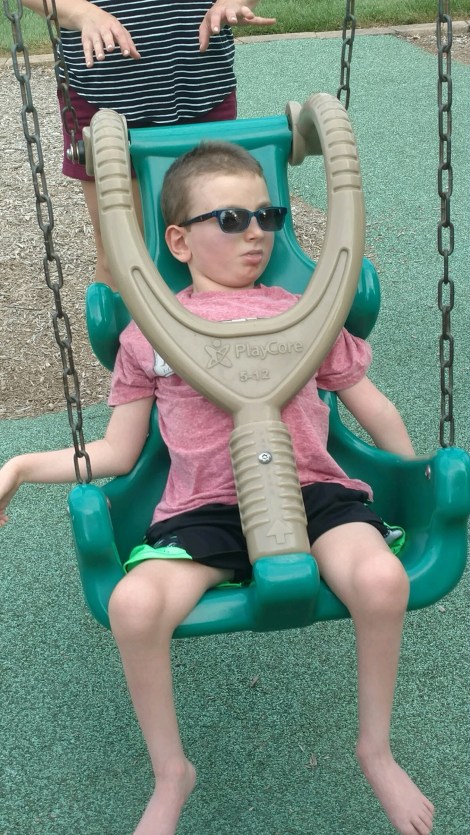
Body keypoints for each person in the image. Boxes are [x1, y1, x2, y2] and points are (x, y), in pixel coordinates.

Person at [0, 141, 435, 835]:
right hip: (201, 510)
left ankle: (375, 748)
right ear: (178, 241)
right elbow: (118, 451)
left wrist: (414, 478)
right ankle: (171, 770)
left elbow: (372, 406)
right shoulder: (151, 333)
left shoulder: (306, 312)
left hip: (313, 492)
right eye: (231, 219)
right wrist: (20, 467)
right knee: (134, 606)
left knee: (382, 580)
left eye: (268, 215)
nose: (256, 232)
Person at [22, 1, 276, 289]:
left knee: (227, 239)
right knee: (123, 252)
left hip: (201, 87)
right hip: (105, 98)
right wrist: (81, 12)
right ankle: (127, 320)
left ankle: (230, 315)